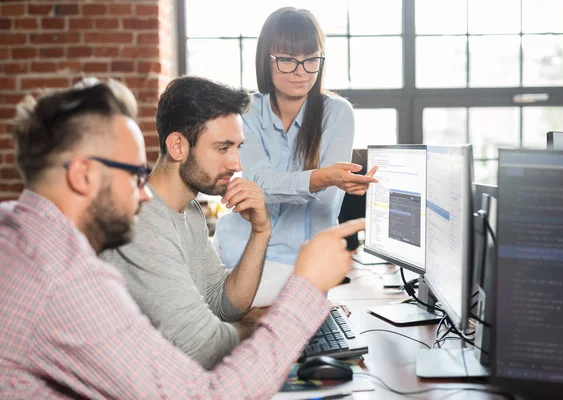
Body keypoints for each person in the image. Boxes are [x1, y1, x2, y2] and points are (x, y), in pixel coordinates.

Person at [0, 79, 365, 399]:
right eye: (132, 174)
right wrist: (300, 296)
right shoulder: (64, 277)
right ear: (82, 175)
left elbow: (220, 304)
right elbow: (205, 383)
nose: (142, 194)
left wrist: (261, 231)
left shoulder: (19, 230)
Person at [99, 76, 271, 369]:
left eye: (237, 148)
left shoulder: (189, 211)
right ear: (178, 146)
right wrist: (262, 327)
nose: (236, 164)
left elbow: (224, 304)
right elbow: (201, 347)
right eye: (222, 148)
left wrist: (261, 231)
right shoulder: (142, 221)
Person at [215, 7, 378, 306]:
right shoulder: (246, 112)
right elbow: (260, 185)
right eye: (288, 60)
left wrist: (317, 183)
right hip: (241, 253)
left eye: (311, 60)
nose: (301, 71)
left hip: (306, 263)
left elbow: (327, 202)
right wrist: (320, 178)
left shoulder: (338, 113)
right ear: (267, 59)